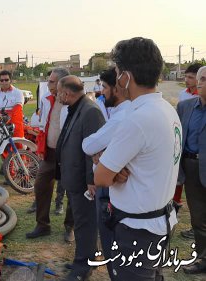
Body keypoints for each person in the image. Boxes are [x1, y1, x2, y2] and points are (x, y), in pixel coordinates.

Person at [95, 37, 181, 280]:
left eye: (118, 72)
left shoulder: (137, 119)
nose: (116, 78)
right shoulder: (166, 109)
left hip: (137, 231)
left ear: (126, 77)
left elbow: (101, 176)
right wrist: (113, 165)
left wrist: (108, 166)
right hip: (159, 221)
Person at [81, 67, 130, 280]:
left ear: (118, 88)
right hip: (117, 190)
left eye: (105, 87)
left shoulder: (122, 117)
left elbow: (88, 145)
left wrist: (102, 154)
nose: (101, 91)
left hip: (112, 192)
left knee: (113, 250)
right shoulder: (126, 113)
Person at [55, 75, 105, 281]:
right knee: (83, 222)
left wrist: (91, 181)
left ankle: (83, 267)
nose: (56, 95)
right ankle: (84, 258)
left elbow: (93, 151)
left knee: (85, 224)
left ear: (66, 93)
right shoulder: (77, 108)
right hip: (74, 178)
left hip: (85, 182)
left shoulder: (90, 111)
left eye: (58, 92)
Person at [25, 68, 74, 243]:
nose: (48, 84)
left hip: (69, 154)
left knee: (72, 191)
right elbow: (46, 124)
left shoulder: (74, 101)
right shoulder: (47, 98)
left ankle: (70, 227)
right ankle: (43, 225)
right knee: (41, 185)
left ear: (62, 83)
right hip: (50, 152)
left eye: (52, 82)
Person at [177, 65, 206, 275]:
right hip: (192, 167)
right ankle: (203, 259)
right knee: (198, 218)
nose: (202, 82)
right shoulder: (184, 107)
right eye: (201, 79)